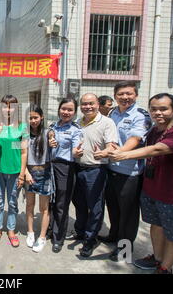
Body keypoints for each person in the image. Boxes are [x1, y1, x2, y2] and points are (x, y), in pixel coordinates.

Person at [109, 93, 173, 274]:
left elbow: (157, 150)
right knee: (156, 227)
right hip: (152, 191)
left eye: (163, 109)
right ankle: (157, 259)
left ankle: (165, 268)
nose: (158, 113)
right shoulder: (154, 131)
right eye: (154, 109)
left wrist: (122, 155)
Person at [101, 81, 152, 261]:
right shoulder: (113, 112)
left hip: (129, 173)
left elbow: (135, 139)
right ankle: (114, 236)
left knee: (128, 214)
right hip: (110, 169)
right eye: (121, 94)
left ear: (136, 95)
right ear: (115, 96)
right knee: (114, 208)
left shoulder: (141, 115)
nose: (125, 97)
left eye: (129, 94)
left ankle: (125, 251)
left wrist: (119, 153)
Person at [71, 93, 118, 257]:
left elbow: (112, 146)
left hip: (96, 169)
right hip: (78, 168)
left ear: (98, 104)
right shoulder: (78, 122)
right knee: (79, 203)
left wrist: (104, 152)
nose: (87, 107)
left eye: (91, 103)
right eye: (84, 104)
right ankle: (81, 231)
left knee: (95, 206)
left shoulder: (106, 122)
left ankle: (90, 240)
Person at [0, 95, 28, 248]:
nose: (8, 108)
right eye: (5, 105)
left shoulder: (22, 127)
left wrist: (22, 173)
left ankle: (11, 231)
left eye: (12, 105)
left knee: (12, 203)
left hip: (15, 172)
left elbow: (23, 152)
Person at [48, 98, 83, 253]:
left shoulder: (76, 130)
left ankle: (58, 238)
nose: (66, 112)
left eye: (70, 110)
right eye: (64, 109)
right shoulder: (53, 126)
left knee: (61, 204)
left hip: (65, 168)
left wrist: (76, 152)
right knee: (50, 201)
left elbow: (76, 148)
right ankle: (50, 228)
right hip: (50, 166)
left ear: (75, 112)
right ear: (59, 109)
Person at [24, 105, 55, 253]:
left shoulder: (48, 132)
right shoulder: (24, 134)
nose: (33, 120)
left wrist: (53, 142)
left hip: (45, 173)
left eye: (36, 117)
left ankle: (41, 237)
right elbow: (19, 154)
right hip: (29, 173)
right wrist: (25, 172)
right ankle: (30, 232)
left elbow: (53, 140)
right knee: (29, 206)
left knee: (44, 209)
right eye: (30, 118)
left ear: (41, 117)